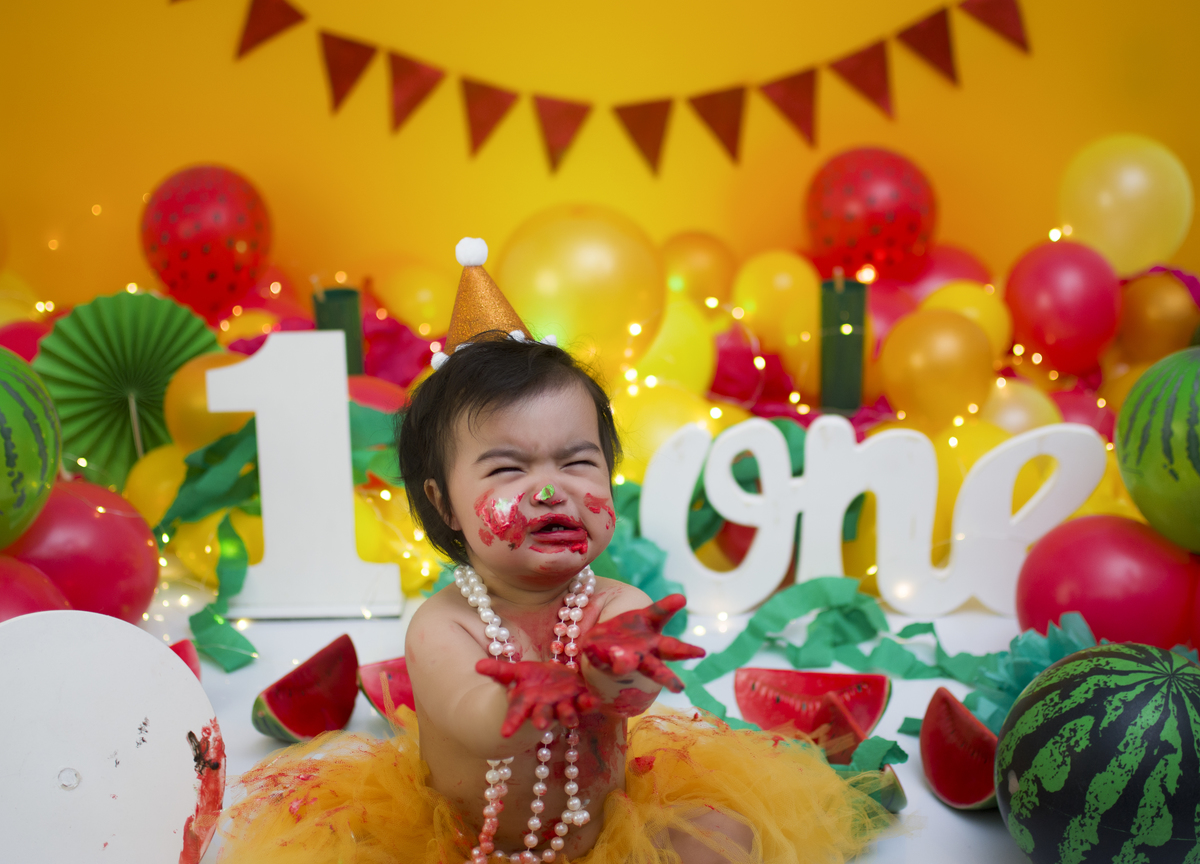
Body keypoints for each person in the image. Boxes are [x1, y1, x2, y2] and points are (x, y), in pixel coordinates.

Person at [219, 240, 892, 864]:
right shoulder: (442, 626)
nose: (550, 490)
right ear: (445, 504)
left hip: (603, 829)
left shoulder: (614, 602)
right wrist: (541, 696)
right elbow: (480, 721)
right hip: (466, 843)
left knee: (725, 838)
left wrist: (618, 671)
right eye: (508, 469)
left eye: (577, 461)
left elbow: (630, 695)